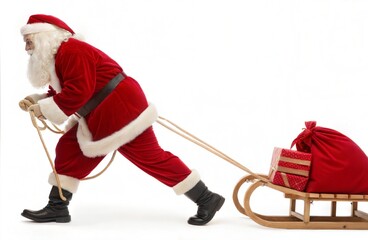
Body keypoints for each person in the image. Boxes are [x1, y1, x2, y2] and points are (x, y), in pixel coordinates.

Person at [18, 14, 225, 225]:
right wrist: (37, 101)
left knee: (149, 156)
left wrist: (44, 109)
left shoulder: (72, 51)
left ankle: (207, 198)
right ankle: (57, 207)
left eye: (29, 41)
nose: (26, 47)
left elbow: (78, 91)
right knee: (70, 150)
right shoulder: (61, 56)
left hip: (118, 107)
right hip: (106, 110)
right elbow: (65, 90)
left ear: (45, 36)